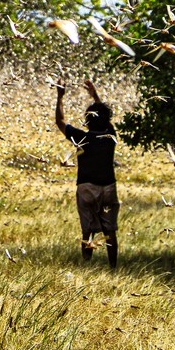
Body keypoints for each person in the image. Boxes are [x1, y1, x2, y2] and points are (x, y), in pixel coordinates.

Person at [55, 79, 119, 268]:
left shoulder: (82, 137)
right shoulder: (110, 137)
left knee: (88, 230)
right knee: (110, 230)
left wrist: (60, 97)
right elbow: (107, 119)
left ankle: (86, 264)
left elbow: (60, 122)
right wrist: (95, 95)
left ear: (87, 120)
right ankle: (113, 266)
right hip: (108, 186)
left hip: (86, 187)